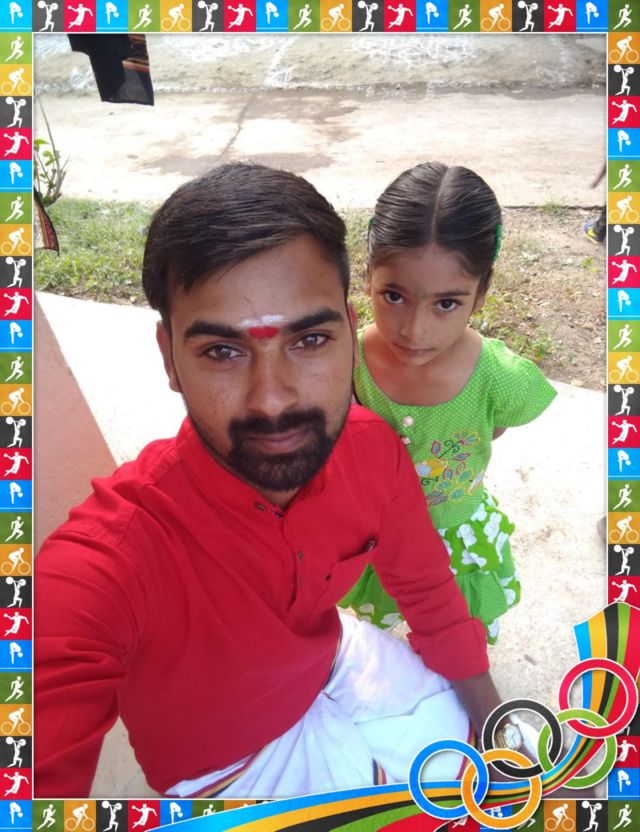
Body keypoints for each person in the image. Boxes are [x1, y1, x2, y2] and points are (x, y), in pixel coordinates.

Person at [35, 163, 508, 798]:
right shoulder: (115, 556)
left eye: (309, 340)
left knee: (502, 777)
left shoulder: (370, 451)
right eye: (222, 351)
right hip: (227, 760)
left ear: (348, 333)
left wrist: (500, 728)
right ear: (169, 357)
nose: (273, 400)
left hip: (335, 659)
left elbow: (428, 592)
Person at [339, 162, 556, 643]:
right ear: (369, 276)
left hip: (454, 534)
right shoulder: (346, 358)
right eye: (394, 296)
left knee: (454, 633)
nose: (414, 330)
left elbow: (491, 429)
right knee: (379, 635)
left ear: (481, 294)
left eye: (446, 303)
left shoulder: (498, 377)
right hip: (373, 529)